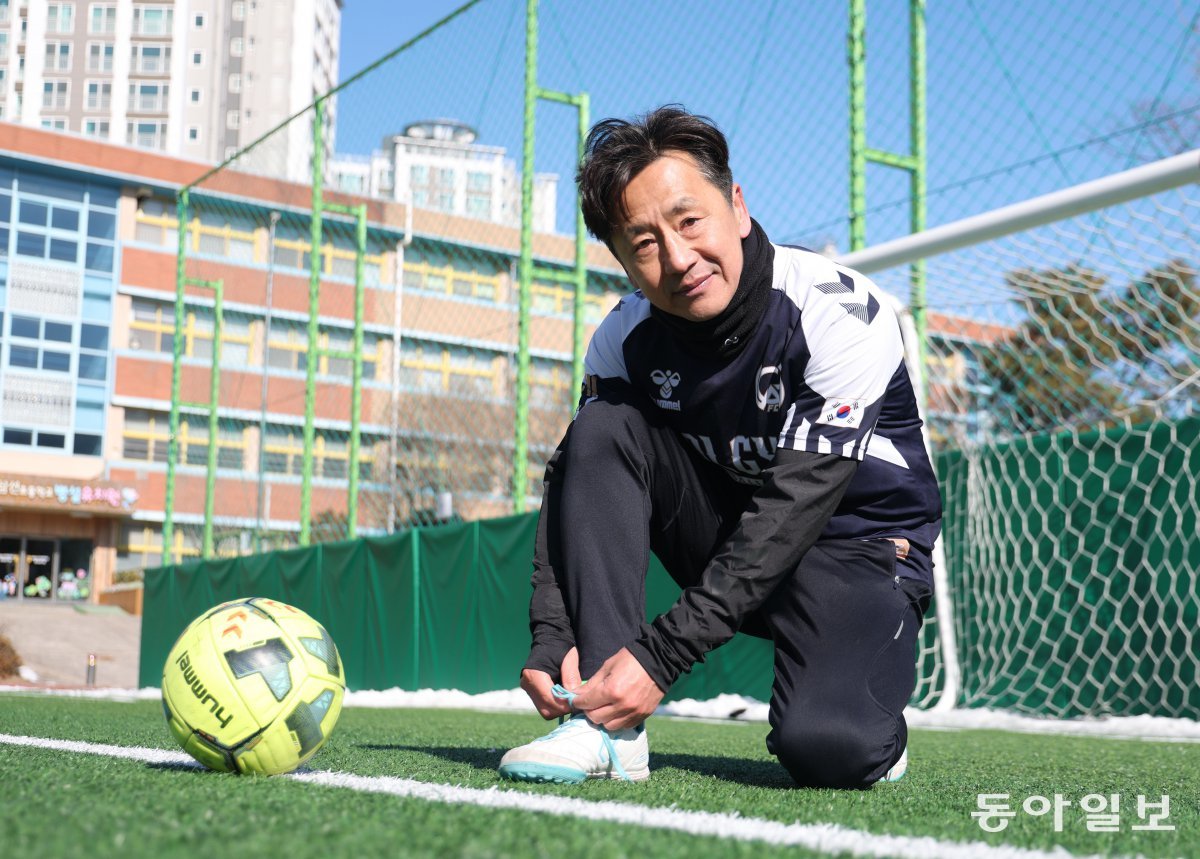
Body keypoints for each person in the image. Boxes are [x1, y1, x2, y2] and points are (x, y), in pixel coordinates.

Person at [498, 106, 942, 789]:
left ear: (736, 205)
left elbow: (792, 511)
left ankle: (869, 713)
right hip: (729, 534)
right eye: (642, 242)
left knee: (831, 749)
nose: (677, 258)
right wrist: (552, 632)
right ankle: (607, 726)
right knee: (603, 425)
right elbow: (576, 471)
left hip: (859, 545)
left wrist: (660, 656)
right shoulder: (623, 338)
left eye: (688, 221)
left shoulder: (838, 313)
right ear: (620, 260)